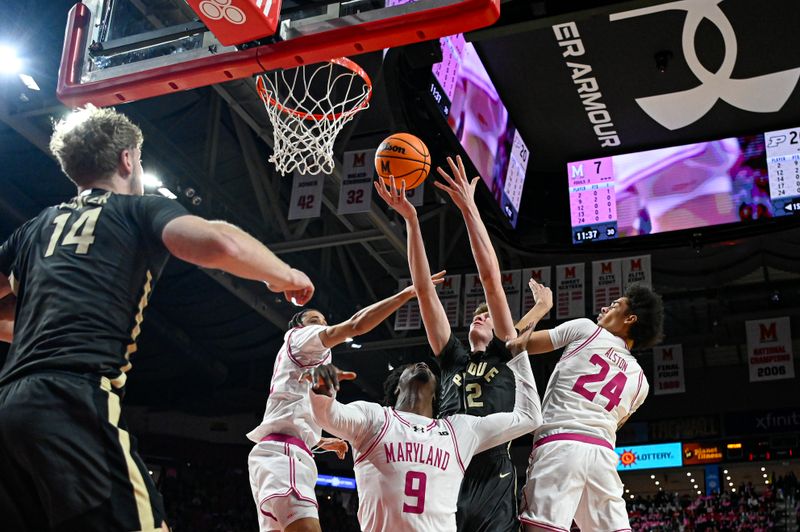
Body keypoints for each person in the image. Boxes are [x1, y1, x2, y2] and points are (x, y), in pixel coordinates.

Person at [0, 105, 314, 532]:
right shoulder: (137, 211)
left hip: (9, 404)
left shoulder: (35, 228)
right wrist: (286, 274)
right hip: (73, 398)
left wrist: (36, 325)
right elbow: (222, 244)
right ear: (128, 159)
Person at [375, 157, 551, 532]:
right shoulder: (451, 357)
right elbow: (424, 291)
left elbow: (491, 277)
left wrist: (470, 209)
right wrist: (410, 220)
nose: (480, 315)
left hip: (493, 473)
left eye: (487, 315)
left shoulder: (506, 352)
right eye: (476, 314)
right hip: (446, 466)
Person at [247, 272, 445, 532]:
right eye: (314, 321)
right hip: (285, 456)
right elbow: (356, 325)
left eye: (323, 321)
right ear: (299, 327)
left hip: (275, 455)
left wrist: (318, 440)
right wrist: (406, 294)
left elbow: (286, 407)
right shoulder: (300, 338)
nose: (322, 325)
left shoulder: (304, 359)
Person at [306, 344, 542, 531]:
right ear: (397, 387)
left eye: (430, 368)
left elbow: (530, 418)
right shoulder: (374, 418)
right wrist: (321, 391)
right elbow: (328, 416)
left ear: (437, 392)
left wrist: (519, 355)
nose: (421, 363)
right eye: (411, 366)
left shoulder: (458, 430)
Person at [508, 284, 664, 532]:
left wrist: (542, 306)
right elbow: (616, 422)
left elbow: (515, 344)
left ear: (630, 318)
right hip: (602, 457)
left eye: (614, 305)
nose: (604, 307)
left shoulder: (587, 330)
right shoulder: (641, 382)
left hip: (560, 445)